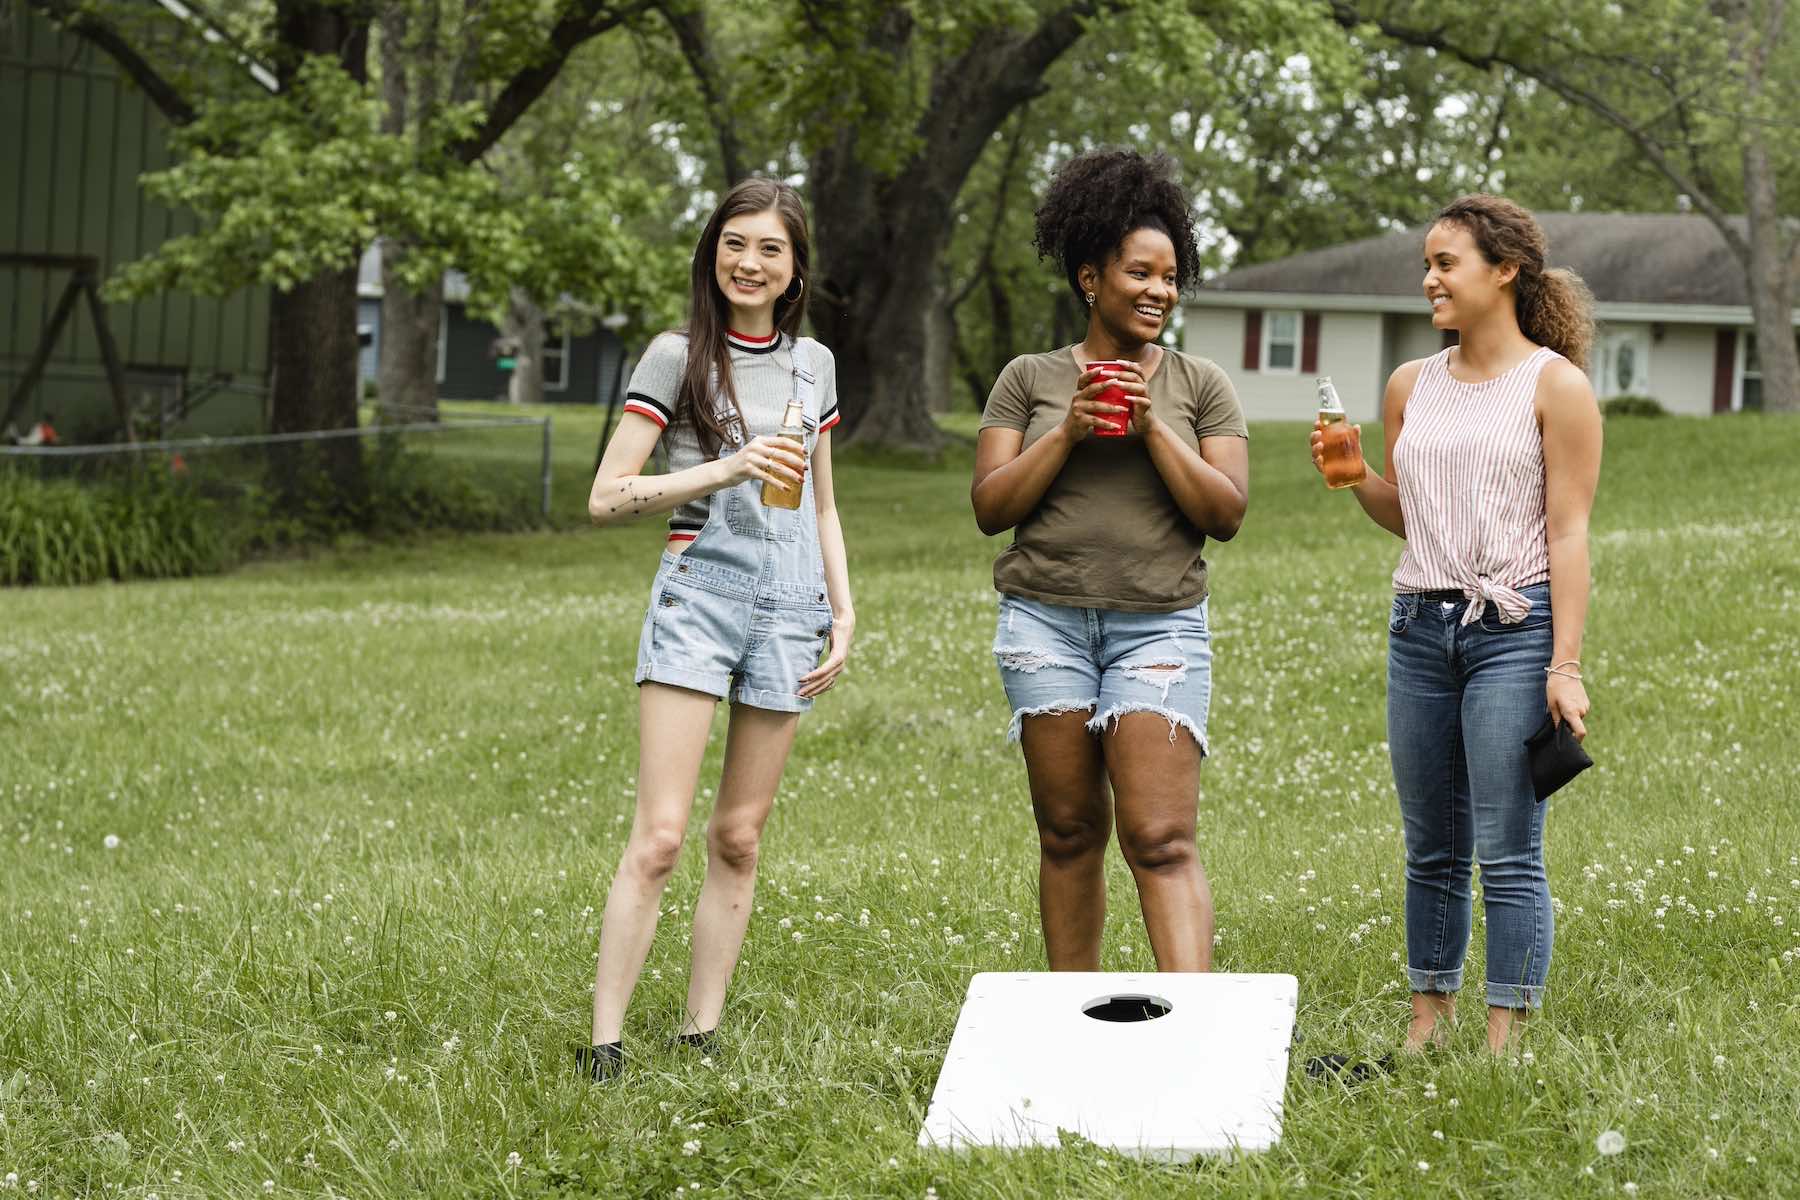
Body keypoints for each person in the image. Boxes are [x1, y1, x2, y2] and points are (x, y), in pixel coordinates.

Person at [1310, 194, 1601, 1055]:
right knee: (1431, 846)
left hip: (1514, 627)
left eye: (1446, 263)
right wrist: (1355, 478)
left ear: (1505, 270)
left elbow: (1568, 533)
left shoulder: (1556, 385)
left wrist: (1565, 663)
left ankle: (1505, 1039)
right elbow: (1413, 518)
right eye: (1427, 265)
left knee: (1507, 847)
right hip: (1418, 627)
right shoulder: (1411, 384)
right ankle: (1427, 1025)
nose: (1430, 279)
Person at [580, 178, 854, 1081]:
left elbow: (823, 505)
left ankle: (701, 1034)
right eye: (735, 243)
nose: (749, 263)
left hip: (791, 607)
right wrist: (725, 468)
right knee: (660, 837)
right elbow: (608, 496)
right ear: (712, 254)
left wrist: (842, 609)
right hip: (698, 595)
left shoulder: (815, 365)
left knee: (739, 836)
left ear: (795, 269)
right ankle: (604, 1045)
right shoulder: (676, 356)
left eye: (770, 248)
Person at [971, 149, 1249, 973]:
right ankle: (1074, 1021)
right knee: (1067, 832)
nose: (1160, 291)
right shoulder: (1028, 378)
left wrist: (1152, 425)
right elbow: (990, 507)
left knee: (1160, 837)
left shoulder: (1201, 384)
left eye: (1171, 277)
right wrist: (1069, 430)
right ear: (1091, 279)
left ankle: (1193, 1027)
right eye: (1140, 273)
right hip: (1044, 624)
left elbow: (1226, 514)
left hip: (1159, 628)